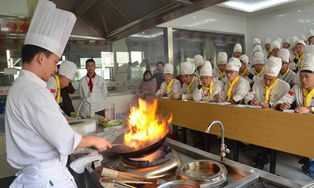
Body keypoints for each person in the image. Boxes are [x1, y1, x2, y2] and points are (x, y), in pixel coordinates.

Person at [5, 1, 111, 188]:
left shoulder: (22, 86)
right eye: (55, 61)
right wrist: (94, 140)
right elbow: (64, 140)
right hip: (47, 179)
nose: (55, 68)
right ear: (40, 58)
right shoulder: (33, 91)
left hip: (40, 174)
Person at [278, 53, 314, 177]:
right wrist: (283, 104)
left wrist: (309, 109)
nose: (303, 80)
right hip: (302, 125)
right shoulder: (296, 87)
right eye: (301, 77)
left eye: (307, 77)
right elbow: (286, 99)